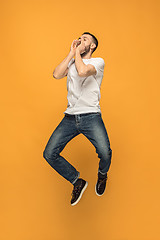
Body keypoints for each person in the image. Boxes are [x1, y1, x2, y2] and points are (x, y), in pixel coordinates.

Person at [43, 32, 112, 206]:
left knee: (105, 152)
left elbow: (82, 72)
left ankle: (102, 175)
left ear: (93, 46)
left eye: (85, 39)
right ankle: (77, 181)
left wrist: (77, 54)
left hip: (91, 116)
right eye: (79, 39)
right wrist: (71, 53)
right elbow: (57, 74)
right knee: (49, 153)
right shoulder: (73, 61)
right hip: (70, 118)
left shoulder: (97, 62)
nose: (81, 41)